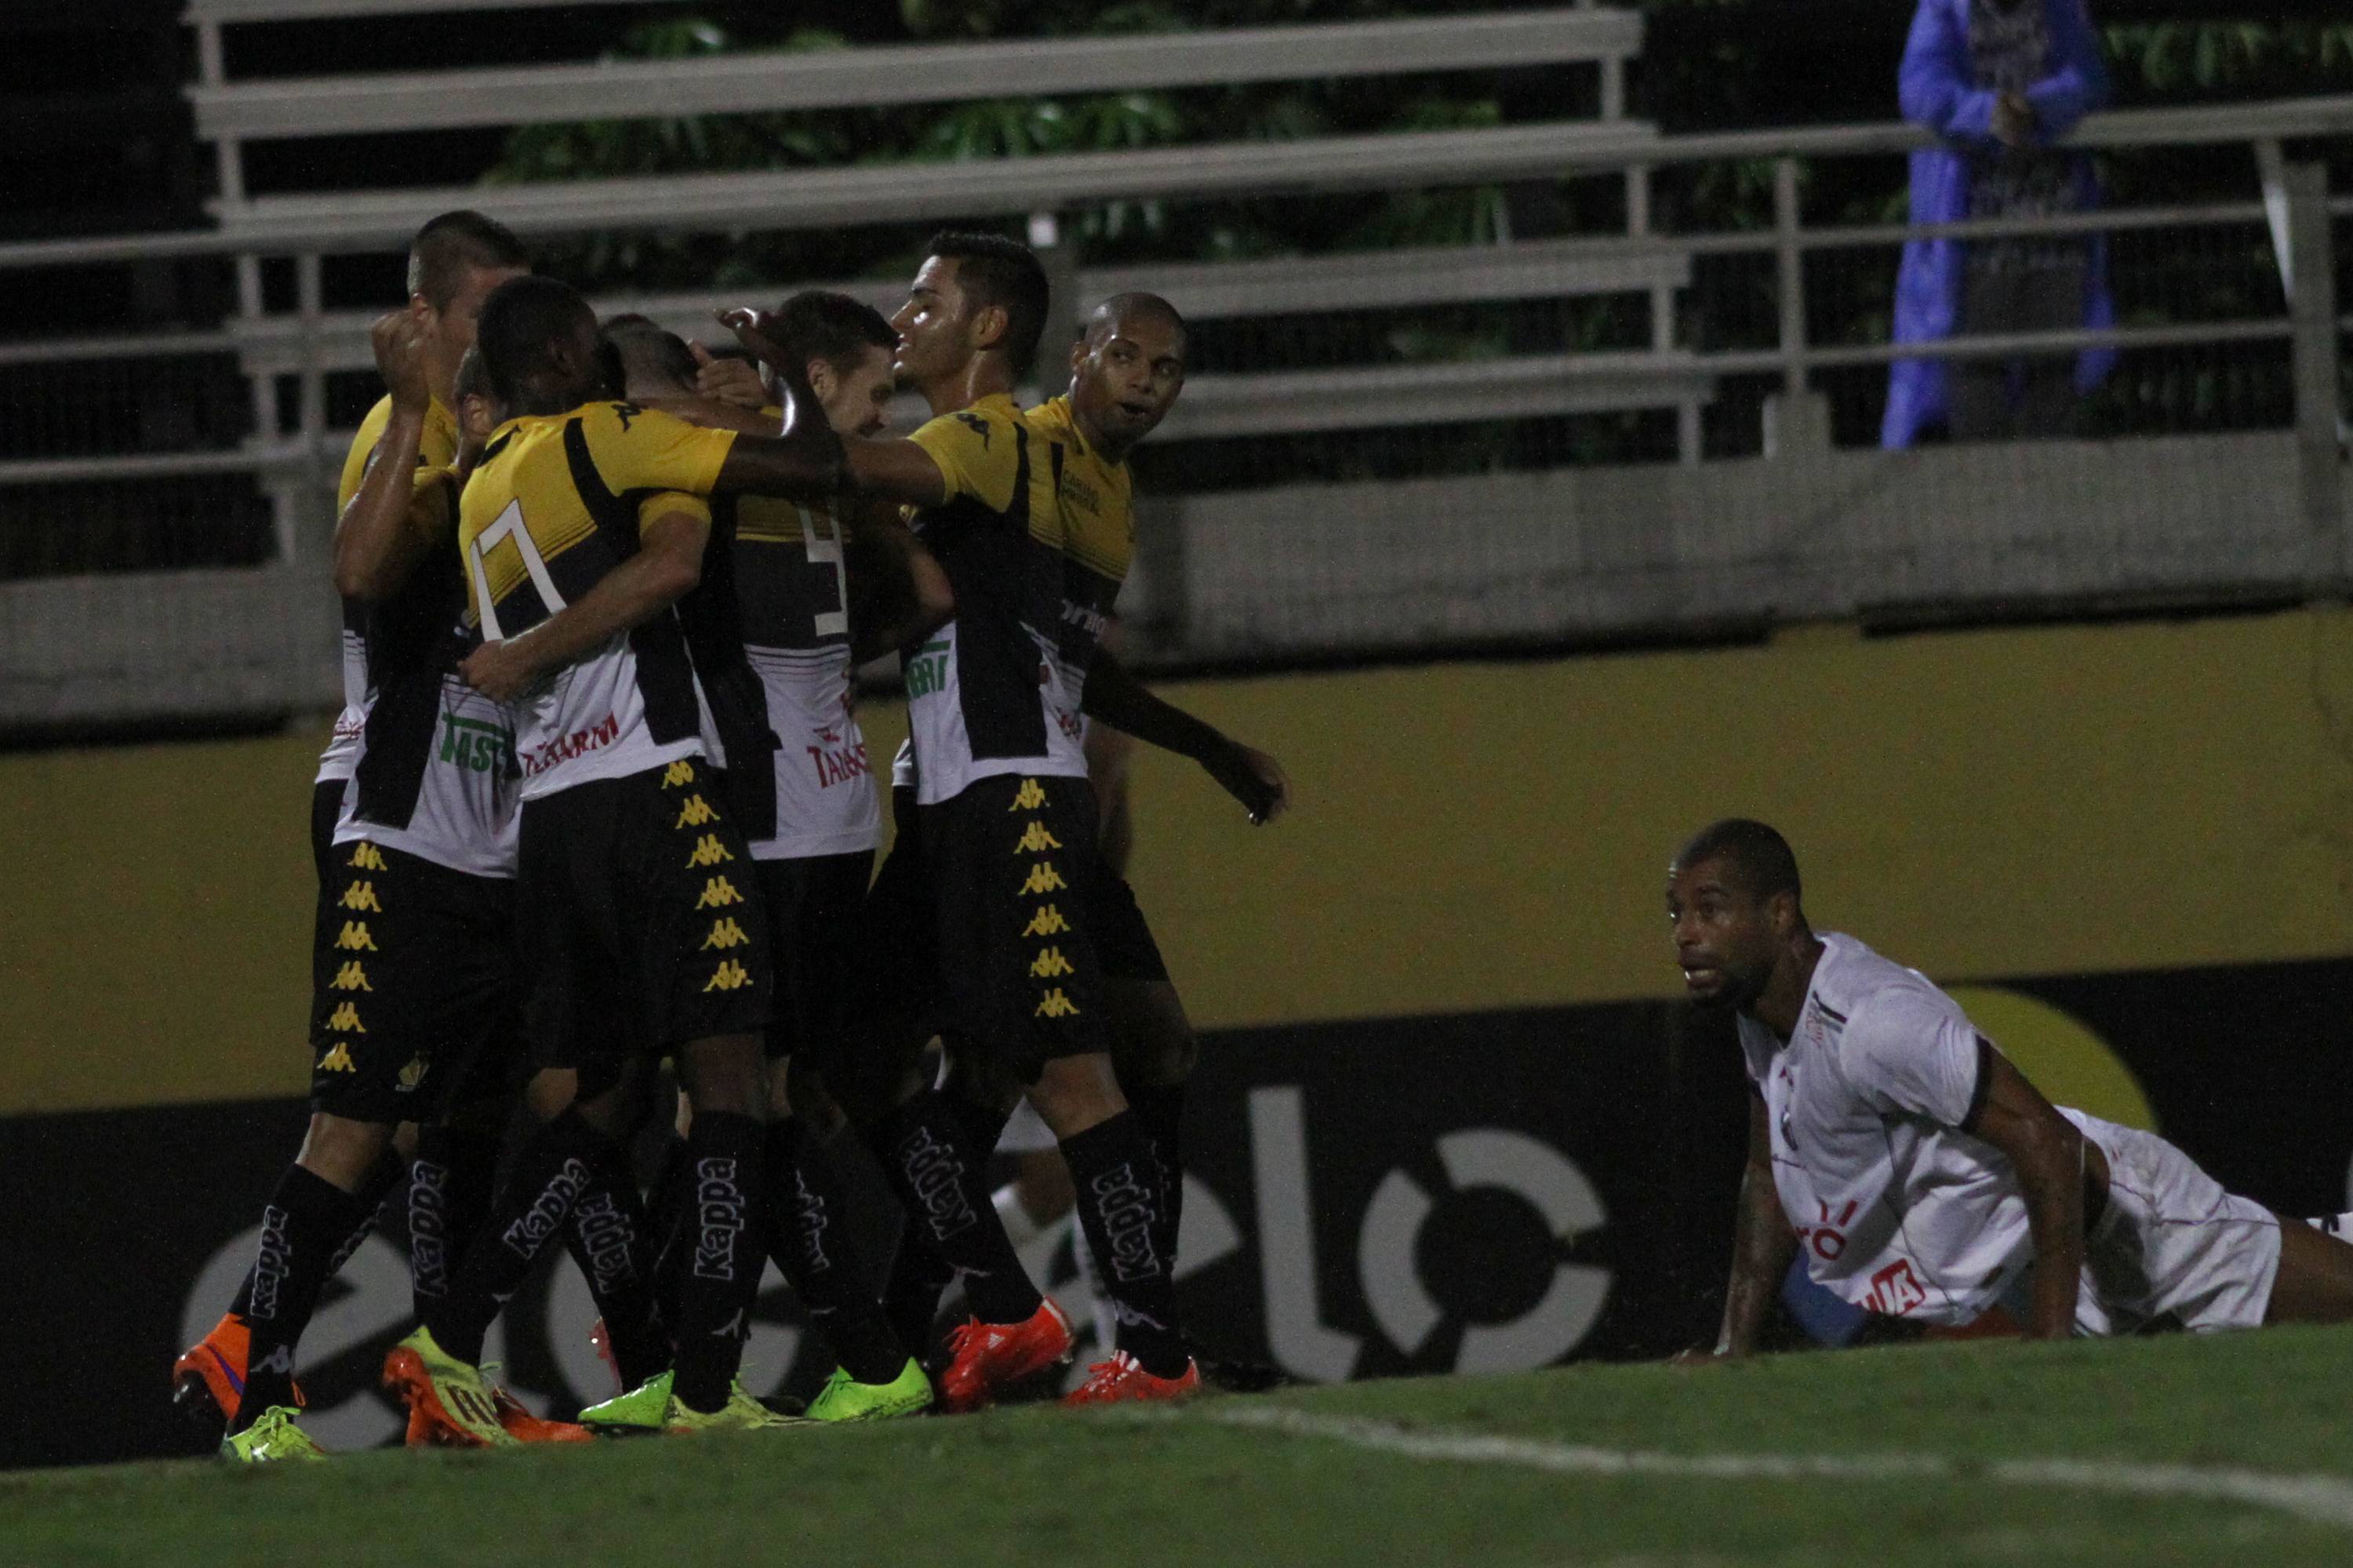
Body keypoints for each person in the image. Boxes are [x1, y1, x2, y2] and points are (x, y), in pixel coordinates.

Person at [729, 259, 1286, 1408]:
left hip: (1004, 795)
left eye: (1164, 367)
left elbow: (831, 467)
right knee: (874, 1067)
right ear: (1080, 354)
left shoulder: (996, 443)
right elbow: (1049, 649)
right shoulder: (1061, 469)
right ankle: (959, 1323)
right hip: (957, 805)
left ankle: (1147, 1345)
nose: (1143, 384)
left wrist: (785, 374)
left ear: (987, 325)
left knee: (1073, 1073)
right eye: (1127, 356)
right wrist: (1212, 746)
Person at [375, 275, 846, 1442]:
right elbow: (802, 475)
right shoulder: (613, 434)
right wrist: (785, 378)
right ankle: (701, 1387)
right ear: (573, 356)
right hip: (657, 789)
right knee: (728, 1078)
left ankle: (449, 1331)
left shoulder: (487, 481)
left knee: (601, 1097)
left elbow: (656, 543)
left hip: (556, 818)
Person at [605, 299, 949, 1423]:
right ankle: (790, 1356)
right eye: (873, 392)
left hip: (763, 811)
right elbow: (930, 597)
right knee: (757, 1100)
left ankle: (726, 1368)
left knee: (733, 1103)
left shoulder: (703, 471)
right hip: (833, 798)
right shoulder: (807, 472)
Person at [1667, 819, 2353, 1356]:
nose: (1688, 935)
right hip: (2038, 1263)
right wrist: (1734, 1348)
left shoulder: (1873, 1020)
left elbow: (2047, 1139)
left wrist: (2051, 1347)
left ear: (1781, 914)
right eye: (1677, 914)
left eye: (1711, 910)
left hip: (2115, 1220)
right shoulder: (1764, 1014)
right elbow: (1768, 1175)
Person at [1883, 0, 2115, 447]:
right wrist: (1991, 115)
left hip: (2055, 227)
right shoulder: (1943, 10)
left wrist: (2037, 110)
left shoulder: (2060, 8)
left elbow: (2089, 77)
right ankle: (1987, 495)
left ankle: (2048, 493)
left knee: (2053, 371)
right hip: (1974, 233)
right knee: (1974, 370)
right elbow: (1922, 88)